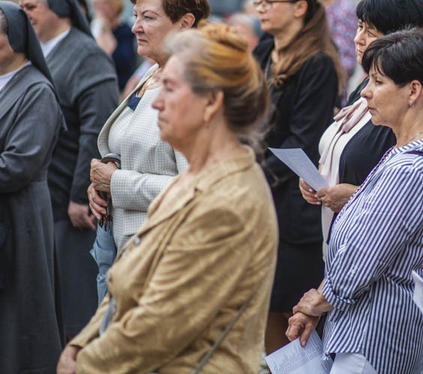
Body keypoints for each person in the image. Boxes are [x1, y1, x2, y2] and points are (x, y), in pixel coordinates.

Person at [58, 23, 278, 374]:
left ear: (211, 103)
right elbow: (123, 285)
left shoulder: (228, 200)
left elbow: (160, 323)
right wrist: (80, 343)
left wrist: (83, 364)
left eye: (170, 88)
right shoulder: (195, 178)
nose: (156, 101)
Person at [287, 28, 423, 374]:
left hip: (374, 338)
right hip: (372, 330)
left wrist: (318, 301)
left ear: (413, 91)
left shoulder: (410, 168)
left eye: (377, 82)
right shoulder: (409, 149)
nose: (365, 92)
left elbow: (361, 259)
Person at [298, 0, 423, 251]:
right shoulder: (365, 91)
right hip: (337, 240)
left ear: (402, 40)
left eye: (370, 31)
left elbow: (421, 194)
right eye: (359, 27)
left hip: (372, 255)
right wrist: (317, 177)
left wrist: (356, 197)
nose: (358, 39)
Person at [87, 0, 208, 301]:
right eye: (136, 16)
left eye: (149, 17)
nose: (135, 26)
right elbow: (133, 144)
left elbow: (198, 190)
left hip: (160, 259)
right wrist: (103, 181)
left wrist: (116, 183)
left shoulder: (195, 86)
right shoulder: (153, 72)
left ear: (185, 23)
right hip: (119, 245)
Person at [18, 0, 119, 340]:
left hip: (70, 204)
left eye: (31, 6)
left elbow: (96, 129)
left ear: (59, 7)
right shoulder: (42, 50)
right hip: (48, 198)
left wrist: (80, 194)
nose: (24, 13)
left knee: (75, 302)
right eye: (22, 6)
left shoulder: (85, 53)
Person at [252, 0, 344, 353]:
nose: (260, 8)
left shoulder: (318, 63)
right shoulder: (261, 51)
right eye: (258, 1)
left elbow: (302, 140)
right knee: (265, 316)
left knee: (290, 320)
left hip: (294, 208)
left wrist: (248, 175)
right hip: (262, 202)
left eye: (269, 2)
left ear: (299, 8)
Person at [0, 1, 64, 373]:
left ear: (18, 38)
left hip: (20, 216)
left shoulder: (37, 91)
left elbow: (19, 165)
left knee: (21, 314)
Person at [91, 0, 137, 92]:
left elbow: (120, 61)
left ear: (115, 6)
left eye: (104, 3)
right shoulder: (94, 29)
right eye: (96, 4)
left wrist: (106, 32)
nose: (100, 8)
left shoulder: (127, 31)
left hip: (120, 88)